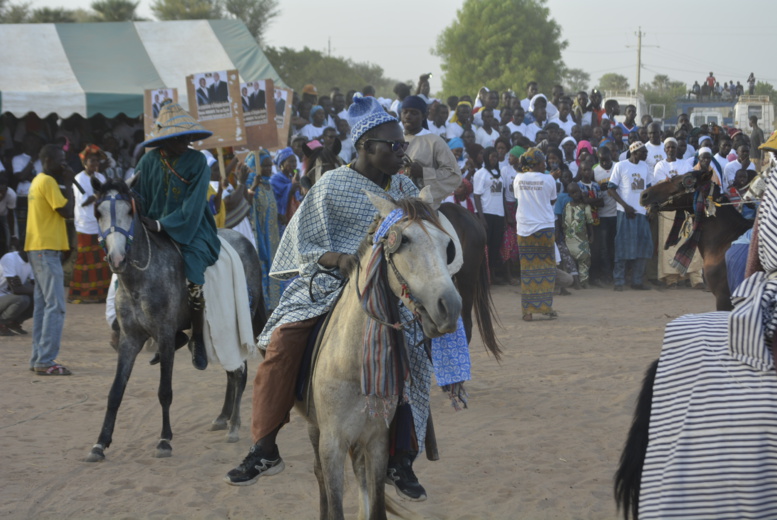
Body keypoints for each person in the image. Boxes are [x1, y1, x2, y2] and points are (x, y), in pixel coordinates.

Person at [225, 97, 435, 500]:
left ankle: (403, 457)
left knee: (419, 350)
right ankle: (264, 447)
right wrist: (340, 259)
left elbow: (420, 239)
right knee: (283, 341)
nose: (400, 152)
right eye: (392, 146)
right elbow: (304, 245)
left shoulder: (405, 187)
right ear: (365, 147)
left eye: (401, 145)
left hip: (392, 287)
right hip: (330, 283)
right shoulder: (331, 186)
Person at [133, 102, 220, 371]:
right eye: (179, 137)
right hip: (151, 227)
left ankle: (197, 338)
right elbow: (140, 197)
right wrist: (142, 220)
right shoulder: (147, 161)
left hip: (192, 228)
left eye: (187, 136)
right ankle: (154, 329)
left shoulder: (198, 162)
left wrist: (162, 225)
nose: (185, 141)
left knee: (194, 274)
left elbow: (193, 207)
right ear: (166, 138)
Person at [25, 144, 75, 375]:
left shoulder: (38, 181)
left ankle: (38, 357)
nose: (63, 164)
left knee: (43, 306)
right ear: (47, 160)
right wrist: (71, 182)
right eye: (60, 159)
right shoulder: (48, 181)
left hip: (38, 249)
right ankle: (45, 361)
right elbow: (66, 211)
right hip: (46, 250)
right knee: (55, 306)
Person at [652, 138, 704, 289]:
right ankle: (672, 279)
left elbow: (690, 184)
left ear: (677, 149)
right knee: (670, 245)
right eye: (668, 147)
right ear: (664, 149)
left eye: (673, 147)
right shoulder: (660, 165)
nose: (671, 150)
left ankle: (695, 278)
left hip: (686, 209)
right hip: (669, 210)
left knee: (689, 242)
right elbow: (662, 188)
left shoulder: (685, 164)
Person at [513, 148, 557, 320]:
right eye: (543, 162)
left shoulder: (518, 178)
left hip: (524, 229)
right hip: (545, 227)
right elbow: (552, 200)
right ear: (538, 163)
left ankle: (528, 312)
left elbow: (519, 197)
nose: (545, 164)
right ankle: (545, 308)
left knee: (527, 270)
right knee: (547, 268)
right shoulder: (549, 179)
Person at [400, 95, 462, 208]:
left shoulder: (434, 141)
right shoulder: (395, 139)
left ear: (424, 116)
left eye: (413, 113)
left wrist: (423, 172)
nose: (408, 116)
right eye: (405, 112)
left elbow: (454, 175)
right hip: (397, 203)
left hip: (424, 207)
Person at [68, 144, 110, 304]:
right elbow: (83, 201)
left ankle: (100, 293)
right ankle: (79, 293)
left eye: (97, 162)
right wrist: (98, 195)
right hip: (85, 223)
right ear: (85, 163)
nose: (95, 165)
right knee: (84, 258)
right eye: (92, 161)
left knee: (100, 257)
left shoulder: (101, 177)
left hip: (99, 221)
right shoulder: (79, 179)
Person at [608, 141, 652, 291]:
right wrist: (626, 206)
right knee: (622, 246)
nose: (646, 154)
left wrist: (649, 208)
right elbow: (611, 189)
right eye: (643, 152)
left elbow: (648, 190)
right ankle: (618, 281)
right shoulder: (620, 166)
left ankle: (637, 281)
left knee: (643, 247)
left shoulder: (646, 167)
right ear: (634, 152)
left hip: (641, 213)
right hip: (625, 213)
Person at [246, 151, 281, 313]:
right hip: (259, 236)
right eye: (264, 165)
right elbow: (248, 208)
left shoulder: (269, 185)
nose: (268, 168)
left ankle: (275, 302)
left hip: (273, 236)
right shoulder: (250, 185)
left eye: (269, 164)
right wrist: (253, 185)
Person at [473, 146, 506, 284]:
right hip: (486, 212)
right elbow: (476, 195)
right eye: (492, 156)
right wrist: (481, 217)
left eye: (496, 157)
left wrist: (505, 214)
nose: (494, 159)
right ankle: (482, 276)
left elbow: (502, 194)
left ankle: (492, 274)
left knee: (495, 245)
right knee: (484, 246)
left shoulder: (499, 172)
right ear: (486, 157)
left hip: (499, 213)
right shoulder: (481, 173)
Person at [593, 146, 616, 284]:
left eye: (607, 160)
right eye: (602, 161)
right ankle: (606, 273)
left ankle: (616, 273)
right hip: (602, 215)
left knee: (615, 245)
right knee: (603, 247)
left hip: (616, 213)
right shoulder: (595, 172)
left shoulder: (618, 167)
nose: (606, 163)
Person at [563, 182, 594, 288]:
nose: (575, 194)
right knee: (569, 261)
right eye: (572, 193)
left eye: (577, 192)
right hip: (569, 239)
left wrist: (591, 235)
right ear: (569, 195)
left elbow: (589, 222)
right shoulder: (566, 206)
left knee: (584, 260)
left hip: (582, 239)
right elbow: (564, 222)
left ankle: (584, 282)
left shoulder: (585, 206)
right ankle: (570, 283)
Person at [0, 243, 33, 336]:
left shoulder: (32, 261)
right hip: (3, 297)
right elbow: (17, 289)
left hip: (6, 298)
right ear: (22, 248)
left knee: (40, 298)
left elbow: (36, 285)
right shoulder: (10, 258)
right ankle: (2, 322)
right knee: (23, 299)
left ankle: (13, 322)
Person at [0, 173, 17, 257]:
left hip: (5, 215)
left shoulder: (11, 194)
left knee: (13, 238)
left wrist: (12, 235)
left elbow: (10, 215)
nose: (1, 194)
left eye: (3, 191)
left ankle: (10, 254)